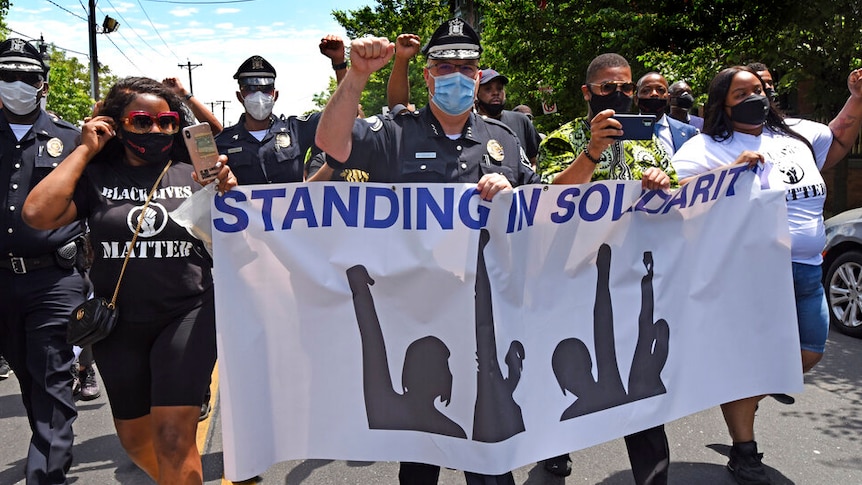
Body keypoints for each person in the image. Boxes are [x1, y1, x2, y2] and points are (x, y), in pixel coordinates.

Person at [315, 18, 539, 485]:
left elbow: (540, 217)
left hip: (486, 319)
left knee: (490, 456)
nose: (456, 74)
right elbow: (331, 146)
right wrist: (356, 76)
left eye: (466, 66)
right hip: (416, 322)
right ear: (428, 75)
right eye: (444, 66)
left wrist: (511, 196)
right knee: (421, 453)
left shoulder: (506, 140)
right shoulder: (394, 131)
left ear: (478, 78)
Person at [22, 76, 237, 485]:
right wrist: (84, 149)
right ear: (116, 124)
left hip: (188, 313)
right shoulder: (95, 176)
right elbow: (37, 215)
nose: (155, 131)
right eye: (141, 121)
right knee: (136, 439)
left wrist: (226, 188)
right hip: (117, 323)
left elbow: (239, 230)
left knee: (174, 438)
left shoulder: (194, 170)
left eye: (167, 122)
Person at [671, 65, 862, 485]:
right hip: (749, 275)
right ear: (721, 103)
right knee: (750, 363)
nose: (754, 98)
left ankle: (736, 391)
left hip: (808, 271)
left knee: (809, 353)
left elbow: (841, 134)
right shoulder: (704, 148)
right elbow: (678, 201)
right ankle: (744, 450)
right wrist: (731, 172)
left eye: (757, 90)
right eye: (741, 95)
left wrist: (857, 96)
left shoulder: (795, 137)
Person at [536, 53, 673, 484]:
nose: (619, 95)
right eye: (607, 88)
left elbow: (675, 196)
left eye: (626, 88)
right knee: (565, 369)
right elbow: (546, 200)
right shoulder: (561, 138)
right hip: (572, 278)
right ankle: (553, 450)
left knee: (640, 384)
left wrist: (662, 181)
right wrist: (592, 151)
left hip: (632, 282)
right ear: (587, 93)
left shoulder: (646, 142)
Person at [0, 37, 85, 485]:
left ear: (43, 84)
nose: (16, 84)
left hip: (53, 278)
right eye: (7, 75)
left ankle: (46, 476)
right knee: (28, 380)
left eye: (27, 76)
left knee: (51, 378)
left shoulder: (72, 139)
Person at [215, 55, 321, 184]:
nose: (259, 95)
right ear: (239, 96)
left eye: (266, 89)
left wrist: (340, 65)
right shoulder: (222, 142)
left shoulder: (297, 130)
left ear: (275, 95)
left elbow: (343, 119)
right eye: (250, 89)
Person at [473, 69, 542, 166]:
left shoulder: (521, 121)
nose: (495, 93)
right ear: (477, 93)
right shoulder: (471, 125)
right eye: (488, 89)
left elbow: (536, 160)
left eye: (499, 88)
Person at [636, 72, 699, 156]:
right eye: (646, 90)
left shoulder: (689, 133)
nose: (654, 94)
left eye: (660, 90)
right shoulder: (623, 130)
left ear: (669, 98)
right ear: (636, 99)